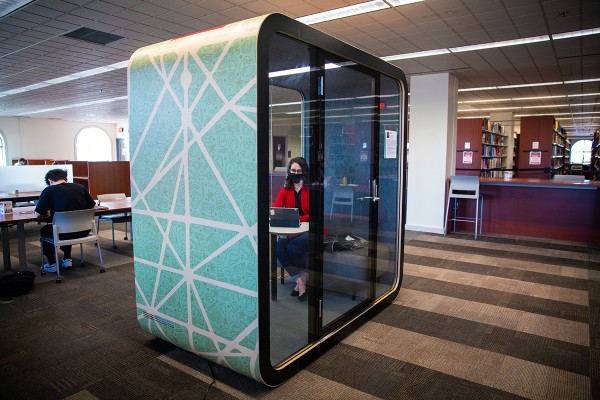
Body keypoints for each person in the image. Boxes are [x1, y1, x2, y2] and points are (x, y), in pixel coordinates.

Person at [34, 169, 97, 273]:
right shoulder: (81, 187)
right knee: (66, 226)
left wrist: (49, 212)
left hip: (63, 233)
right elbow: (94, 207)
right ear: (65, 178)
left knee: (48, 229)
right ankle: (67, 258)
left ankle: (51, 263)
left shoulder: (48, 190)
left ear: (50, 181)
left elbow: (37, 214)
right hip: (84, 231)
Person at [273, 157, 310, 301]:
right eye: (293, 170)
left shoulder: (310, 189)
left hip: (311, 230)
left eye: (299, 171)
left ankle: (301, 281)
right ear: (289, 172)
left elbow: (314, 214)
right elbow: (275, 210)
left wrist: (298, 218)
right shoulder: (285, 190)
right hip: (293, 230)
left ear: (304, 172)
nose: (296, 173)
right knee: (280, 245)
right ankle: (300, 281)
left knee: (293, 246)